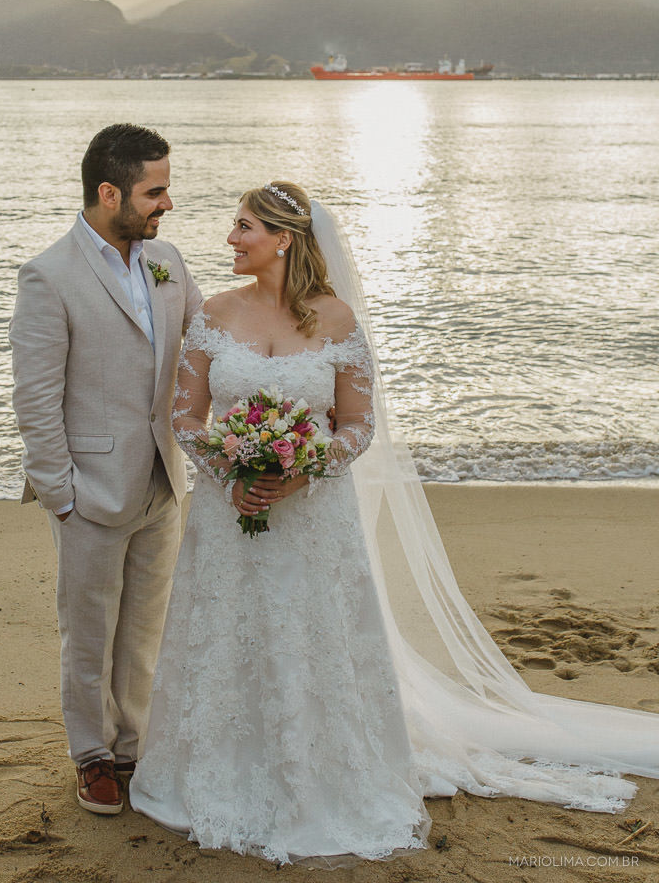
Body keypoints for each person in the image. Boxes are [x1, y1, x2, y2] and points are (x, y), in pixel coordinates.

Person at [130, 181, 659, 865]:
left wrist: (303, 470)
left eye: (244, 228)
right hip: (229, 516)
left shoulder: (338, 321)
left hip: (313, 517)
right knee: (226, 640)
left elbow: (357, 426)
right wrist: (231, 471)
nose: (230, 239)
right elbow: (182, 419)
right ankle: (211, 772)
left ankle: (321, 777)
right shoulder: (215, 315)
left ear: (283, 239)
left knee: (312, 639)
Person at [9, 123, 202, 817]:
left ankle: (132, 748)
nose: (167, 205)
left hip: (161, 483)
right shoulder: (49, 275)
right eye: (156, 192)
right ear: (109, 192)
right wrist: (61, 495)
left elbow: (205, 350)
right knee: (88, 632)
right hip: (89, 492)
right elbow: (34, 398)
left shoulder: (169, 263)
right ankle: (92, 756)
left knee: (143, 627)